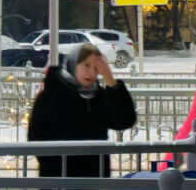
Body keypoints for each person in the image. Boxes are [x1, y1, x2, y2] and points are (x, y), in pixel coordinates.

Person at [28, 43, 137, 177]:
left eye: (96, 68)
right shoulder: (51, 95)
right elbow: (36, 137)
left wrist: (111, 82)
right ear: (74, 65)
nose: (91, 72)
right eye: (86, 65)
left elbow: (124, 121)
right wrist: (59, 170)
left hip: (95, 178)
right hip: (59, 178)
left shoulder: (98, 96)